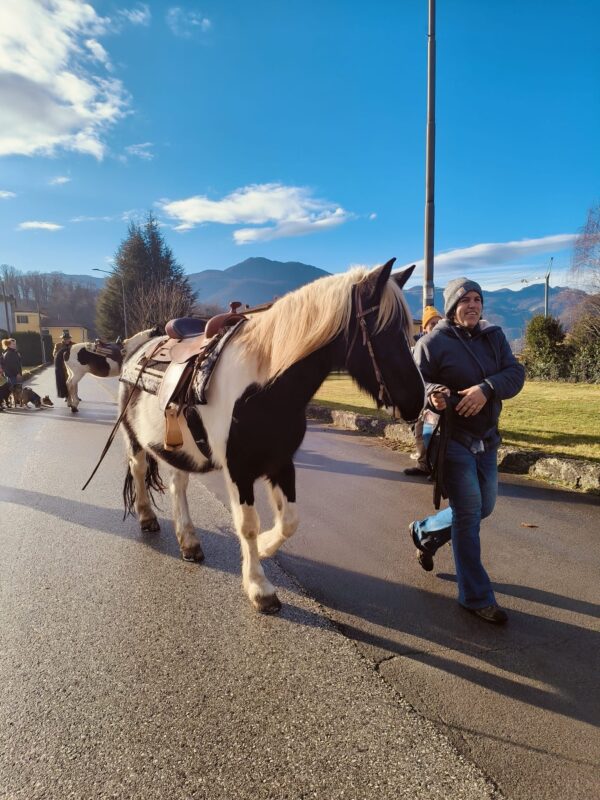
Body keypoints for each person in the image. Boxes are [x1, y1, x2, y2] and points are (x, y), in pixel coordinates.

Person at [408, 278, 525, 625]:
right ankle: (476, 597)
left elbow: (515, 373)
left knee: (483, 508)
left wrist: (487, 388)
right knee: (469, 514)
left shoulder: (494, 337)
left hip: (487, 438)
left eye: (477, 299)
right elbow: (415, 382)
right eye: (465, 300)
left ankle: (424, 532)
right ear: (452, 307)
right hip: (452, 440)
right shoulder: (432, 343)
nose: (473, 305)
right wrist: (433, 394)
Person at [404, 306, 443, 477]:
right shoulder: (418, 347)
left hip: (438, 397)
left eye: (438, 323)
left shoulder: (446, 345)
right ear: (424, 328)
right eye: (432, 324)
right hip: (422, 397)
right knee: (420, 432)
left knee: (433, 435)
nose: (436, 327)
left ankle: (438, 469)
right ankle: (423, 465)